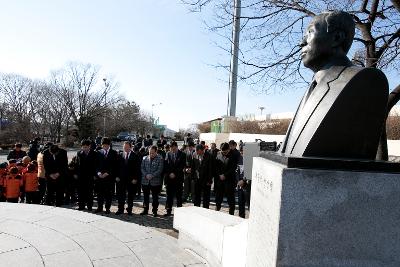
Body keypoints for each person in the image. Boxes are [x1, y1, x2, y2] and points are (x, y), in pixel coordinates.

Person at [280, 11, 388, 159]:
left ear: (336, 38)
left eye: (310, 32)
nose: (301, 42)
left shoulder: (364, 81)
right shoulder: (313, 87)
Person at [115, 141, 141, 215]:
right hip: (121, 179)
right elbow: (117, 167)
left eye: (127, 147)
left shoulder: (135, 156)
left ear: (130, 147)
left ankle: (129, 209)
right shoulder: (120, 155)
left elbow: (137, 169)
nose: (125, 148)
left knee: (130, 195)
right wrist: (117, 176)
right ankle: (120, 209)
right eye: (124, 147)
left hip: (131, 180)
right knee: (121, 195)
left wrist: (135, 178)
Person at [95, 137, 119, 214]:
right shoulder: (98, 152)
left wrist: (107, 173)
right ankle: (99, 207)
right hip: (100, 177)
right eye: (103, 145)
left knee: (108, 193)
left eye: (106, 145)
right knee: (99, 193)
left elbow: (115, 166)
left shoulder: (114, 153)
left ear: (109, 145)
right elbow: (96, 165)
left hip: (109, 177)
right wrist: (98, 173)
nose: (105, 147)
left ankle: (107, 208)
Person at [140, 145, 164, 216]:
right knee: (145, 197)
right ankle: (145, 209)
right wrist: (146, 175)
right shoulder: (144, 158)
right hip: (145, 180)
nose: (151, 154)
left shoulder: (160, 159)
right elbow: (142, 168)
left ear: (156, 152)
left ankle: (155, 210)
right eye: (150, 152)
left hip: (155, 182)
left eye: (153, 153)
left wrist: (152, 175)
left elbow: (160, 169)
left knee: (155, 197)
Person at [164, 141, 186, 216]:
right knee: (169, 196)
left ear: (176, 147)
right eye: (171, 149)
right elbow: (166, 165)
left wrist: (174, 173)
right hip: (169, 178)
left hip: (178, 178)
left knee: (178, 196)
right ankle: (168, 211)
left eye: (174, 149)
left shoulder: (182, 154)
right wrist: (170, 173)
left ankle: (179, 212)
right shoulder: (168, 154)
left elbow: (182, 166)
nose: (173, 150)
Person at [214, 143, 237, 215]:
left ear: (228, 149)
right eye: (222, 152)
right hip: (220, 179)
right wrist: (219, 174)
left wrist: (225, 175)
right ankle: (217, 210)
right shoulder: (218, 154)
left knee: (230, 198)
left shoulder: (234, 155)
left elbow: (233, 168)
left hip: (229, 180)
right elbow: (216, 166)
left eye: (225, 152)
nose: (223, 153)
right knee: (218, 197)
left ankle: (231, 213)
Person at [75, 140, 98, 211]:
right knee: (80, 191)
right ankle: (81, 205)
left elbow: (96, 165)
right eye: (83, 147)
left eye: (86, 147)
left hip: (90, 176)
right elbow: (77, 164)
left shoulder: (94, 153)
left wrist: (95, 175)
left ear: (89, 146)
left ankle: (89, 206)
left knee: (89, 192)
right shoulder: (79, 153)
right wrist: (76, 173)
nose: (85, 148)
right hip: (81, 176)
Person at [191, 144, 213, 209]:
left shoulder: (209, 156)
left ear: (201, 150)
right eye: (196, 151)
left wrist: (209, 180)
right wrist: (193, 177)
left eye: (198, 151)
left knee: (206, 197)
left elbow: (210, 169)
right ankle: (196, 210)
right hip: (197, 179)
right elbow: (193, 167)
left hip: (206, 180)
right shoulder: (194, 155)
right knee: (197, 196)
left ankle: (205, 210)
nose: (197, 152)